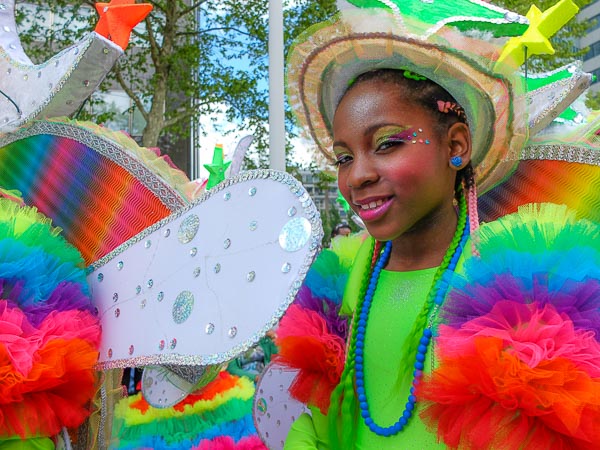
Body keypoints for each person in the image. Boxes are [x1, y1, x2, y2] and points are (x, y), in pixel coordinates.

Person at [271, 0, 600, 449]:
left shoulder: (516, 287)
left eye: (387, 144)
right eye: (344, 157)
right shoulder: (344, 283)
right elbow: (324, 420)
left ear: (456, 146)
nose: (358, 175)